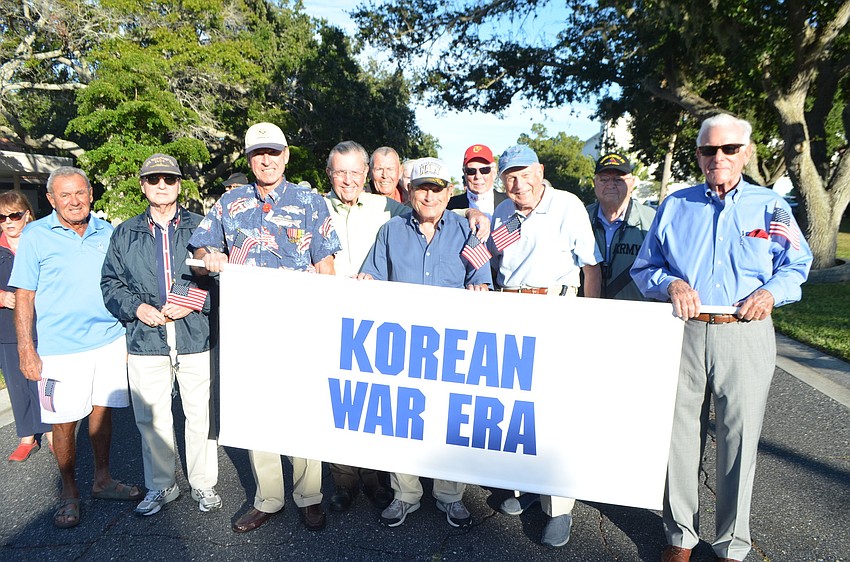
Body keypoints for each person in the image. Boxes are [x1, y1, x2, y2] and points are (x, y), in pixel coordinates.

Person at [630, 114, 812, 562]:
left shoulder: (771, 207)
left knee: (740, 438)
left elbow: (797, 264)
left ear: (746, 153)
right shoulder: (675, 205)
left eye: (729, 149)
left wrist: (772, 292)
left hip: (744, 333)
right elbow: (645, 266)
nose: (719, 157)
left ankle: (732, 543)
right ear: (698, 155)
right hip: (684, 332)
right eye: (709, 150)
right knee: (678, 438)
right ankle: (679, 537)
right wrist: (669, 284)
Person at [188, 122, 341, 533]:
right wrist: (211, 254)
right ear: (249, 159)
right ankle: (269, 498)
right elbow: (202, 245)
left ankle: (309, 496)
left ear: (286, 156)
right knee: (260, 411)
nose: (266, 160)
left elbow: (327, 263)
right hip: (248, 327)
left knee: (303, 412)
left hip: (300, 326)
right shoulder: (230, 202)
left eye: (273, 152)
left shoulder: (310, 201)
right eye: (258, 154)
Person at [358, 157, 491, 529]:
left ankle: (450, 495)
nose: (429, 196)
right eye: (422, 189)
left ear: (450, 193)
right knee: (405, 420)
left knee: (449, 421)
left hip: (452, 345)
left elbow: (481, 278)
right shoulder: (391, 231)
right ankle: (406, 494)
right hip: (403, 345)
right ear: (410, 193)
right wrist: (365, 283)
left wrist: (480, 288)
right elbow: (373, 275)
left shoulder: (466, 232)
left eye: (437, 189)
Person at [10, 167, 142, 529]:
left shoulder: (107, 231)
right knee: (64, 422)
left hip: (109, 341)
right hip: (59, 350)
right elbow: (25, 295)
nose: (74, 201)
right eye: (65, 195)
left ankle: (102, 479)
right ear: (51, 200)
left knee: (103, 414)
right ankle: (69, 491)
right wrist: (26, 347)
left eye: (80, 193)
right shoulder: (36, 235)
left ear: (91, 194)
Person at [489, 145, 601, 548]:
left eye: (523, 173)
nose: (517, 183)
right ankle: (520, 487)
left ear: (540, 170)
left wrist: (588, 319)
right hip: (511, 305)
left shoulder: (567, 206)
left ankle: (557, 508)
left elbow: (591, 266)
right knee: (516, 404)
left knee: (554, 410)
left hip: (556, 306)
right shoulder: (501, 213)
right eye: (509, 177)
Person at [100, 154, 220, 517]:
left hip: (194, 334)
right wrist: (136, 307)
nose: (162, 185)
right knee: (152, 418)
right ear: (143, 185)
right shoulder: (125, 232)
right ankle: (161, 485)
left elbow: (222, 278)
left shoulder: (203, 227)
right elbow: (110, 282)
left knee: (200, 416)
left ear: (179, 184)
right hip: (145, 339)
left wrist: (194, 301)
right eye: (154, 179)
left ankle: (203, 483)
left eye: (169, 178)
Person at [322, 140, 402, 510]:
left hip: (376, 320)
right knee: (338, 400)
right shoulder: (315, 207)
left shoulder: (386, 208)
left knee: (371, 402)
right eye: (341, 172)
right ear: (330, 174)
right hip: (331, 316)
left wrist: (471, 214)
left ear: (365, 174)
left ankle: (374, 477)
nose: (349, 180)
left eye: (356, 172)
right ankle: (343, 480)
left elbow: (430, 211)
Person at [0, 191, 52, 462]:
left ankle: (54, 430)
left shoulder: (41, 241)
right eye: (1, 217)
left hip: (44, 324)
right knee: (17, 383)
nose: (8, 222)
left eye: (14, 215)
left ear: (27, 215)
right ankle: (26, 436)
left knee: (46, 379)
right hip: (8, 329)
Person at [586, 152, 655, 300]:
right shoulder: (580, 218)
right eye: (604, 180)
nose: (610, 185)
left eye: (618, 180)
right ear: (594, 183)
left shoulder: (652, 220)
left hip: (636, 315)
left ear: (632, 183)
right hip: (587, 314)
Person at [447, 144, 507, 220]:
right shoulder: (449, 206)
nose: (478, 176)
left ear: (494, 172)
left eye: (484, 170)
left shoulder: (510, 202)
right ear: (464, 173)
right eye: (471, 171)